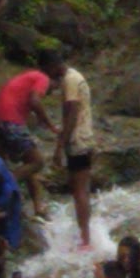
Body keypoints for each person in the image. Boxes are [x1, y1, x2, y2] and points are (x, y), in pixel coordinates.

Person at [0, 49, 62, 219]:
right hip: (9, 119)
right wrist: (50, 124)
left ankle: (38, 207)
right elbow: (35, 101)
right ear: (52, 67)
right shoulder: (42, 78)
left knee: (26, 162)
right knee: (37, 162)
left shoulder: (28, 75)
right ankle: (4, 188)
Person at [50, 51, 97, 251]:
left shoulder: (70, 80)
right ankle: (85, 235)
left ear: (52, 65)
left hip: (77, 140)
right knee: (81, 190)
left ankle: (85, 239)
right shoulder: (75, 76)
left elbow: (71, 113)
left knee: (79, 192)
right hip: (85, 137)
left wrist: (60, 146)